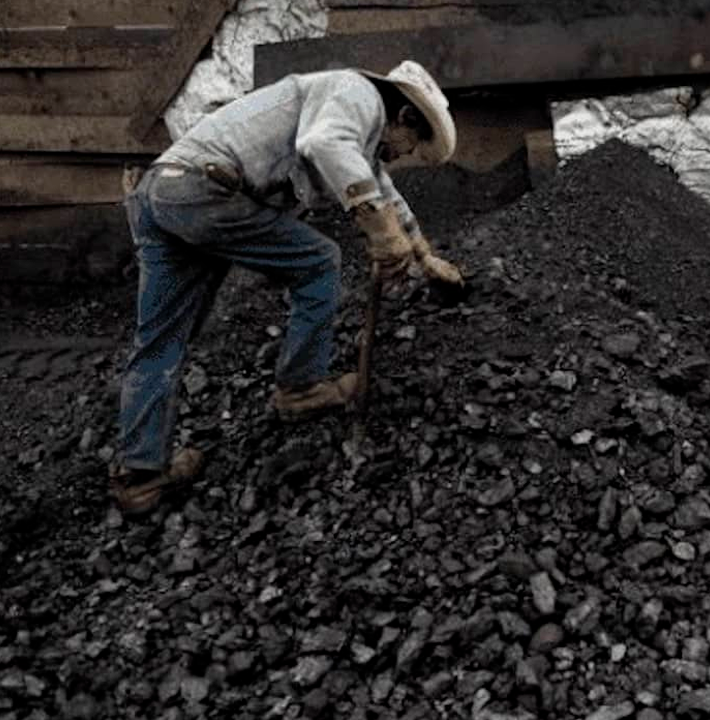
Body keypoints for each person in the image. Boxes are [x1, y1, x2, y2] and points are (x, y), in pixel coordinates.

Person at [110, 61, 462, 514]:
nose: (402, 153)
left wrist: (423, 254)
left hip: (164, 191)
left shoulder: (347, 117)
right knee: (319, 262)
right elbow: (323, 144)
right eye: (411, 144)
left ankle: (140, 477)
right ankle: (300, 388)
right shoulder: (357, 93)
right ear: (406, 116)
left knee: (161, 341)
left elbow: (381, 188)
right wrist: (378, 227)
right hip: (204, 191)